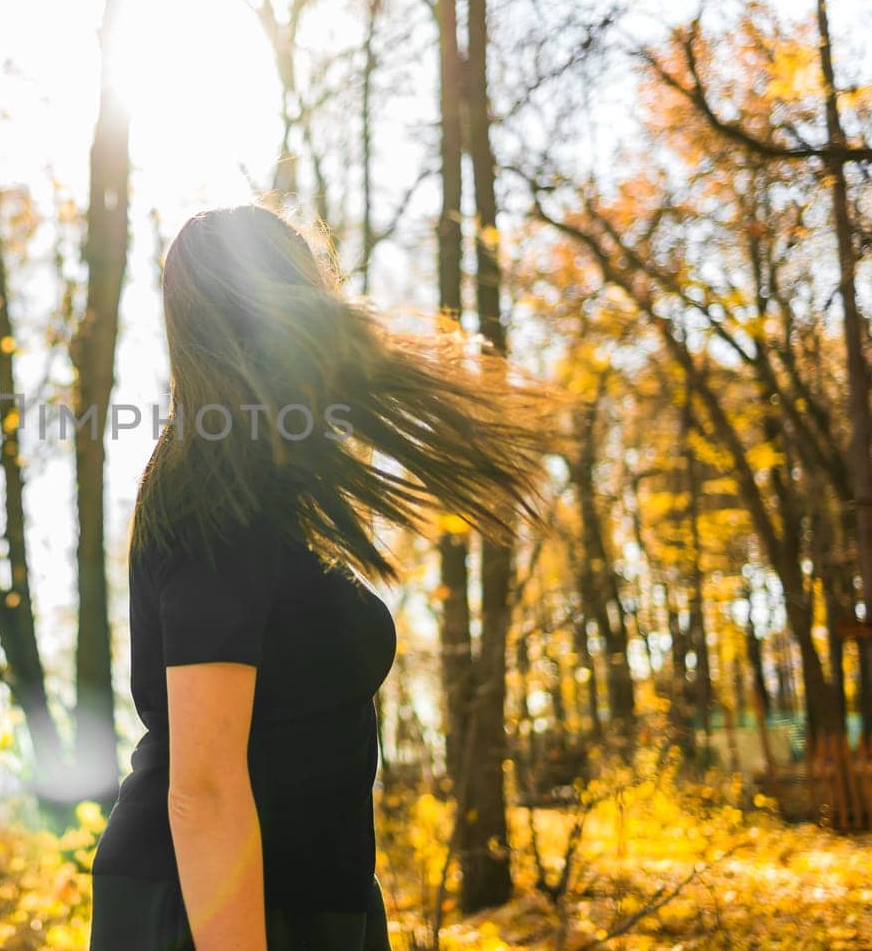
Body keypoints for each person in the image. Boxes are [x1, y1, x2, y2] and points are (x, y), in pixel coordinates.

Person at [88, 205, 558, 950]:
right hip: (213, 907)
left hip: (307, 897)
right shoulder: (218, 491)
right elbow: (204, 788)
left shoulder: (274, 489)